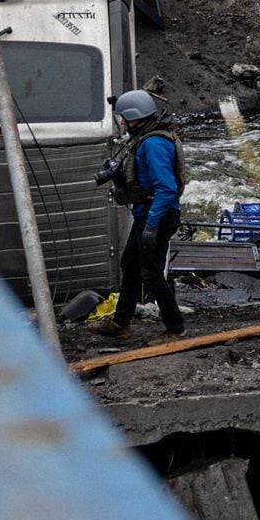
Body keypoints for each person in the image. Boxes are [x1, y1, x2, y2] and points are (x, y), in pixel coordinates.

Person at [104, 88, 182, 340]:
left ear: (134, 116)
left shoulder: (154, 143)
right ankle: (121, 323)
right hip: (147, 213)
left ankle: (175, 326)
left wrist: (151, 225)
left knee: (150, 273)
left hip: (156, 215)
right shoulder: (143, 139)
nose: (121, 123)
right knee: (130, 265)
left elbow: (166, 188)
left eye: (122, 117)